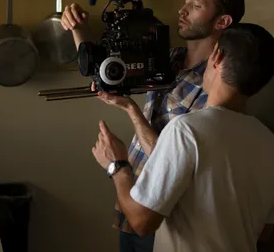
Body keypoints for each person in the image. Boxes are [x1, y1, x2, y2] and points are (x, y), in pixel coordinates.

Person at [61, 0, 245, 252]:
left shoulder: (219, 82)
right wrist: (79, 29)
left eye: (195, 5)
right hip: (133, 198)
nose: (182, 11)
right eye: (186, 2)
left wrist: (130, 110)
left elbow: (177, 158)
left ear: (222, 21)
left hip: (165, 220)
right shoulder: (166, 57)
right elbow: (102, 73)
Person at [92, 22, 274, 252]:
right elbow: (265, 233)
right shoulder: (268, 141)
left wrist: (117, 165)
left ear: (216, 57)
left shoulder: (186, 130)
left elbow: (141, 221)